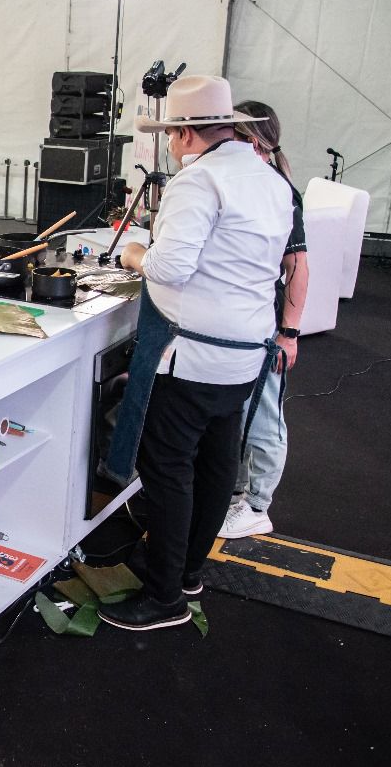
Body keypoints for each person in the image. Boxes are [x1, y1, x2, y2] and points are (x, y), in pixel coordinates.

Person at [99, 76, 292, 631]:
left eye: (171, 135)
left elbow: (170, 267)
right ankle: (185, 572)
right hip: (245, 353)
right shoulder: (271, 179)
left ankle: (164, 598)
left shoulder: (198, 181)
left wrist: (136, 252)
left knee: (168, 472)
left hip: (195, 356)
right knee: (215, 466)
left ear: (184, 134)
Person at [220, 100, 309, 540]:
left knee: (264, 417)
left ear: (251, 141)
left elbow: (298, 267)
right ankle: (238, 495)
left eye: (230, 135)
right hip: (244, 326)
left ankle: (257, 505)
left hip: (266, 328)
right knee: (239, 416)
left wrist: (288, 333)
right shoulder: (249, 184)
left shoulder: (278, 190)